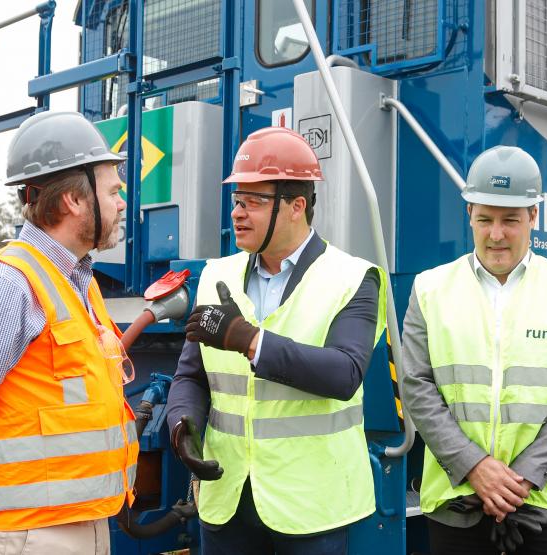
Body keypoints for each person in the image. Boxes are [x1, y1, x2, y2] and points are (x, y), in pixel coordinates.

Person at [0, 111, 149, 555]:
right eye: (113, 190)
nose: (121, 203)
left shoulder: (77, 282)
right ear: (73, 201)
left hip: (78, 521)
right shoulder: (8, 285)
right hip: (26, 536)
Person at [166, 127, 387, 555]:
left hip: (310, 508)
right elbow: (192, 375)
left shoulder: (353, 278)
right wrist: (182, 423)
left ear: (296, 206)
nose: (238, 214)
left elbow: (344, 374)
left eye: (253, 202)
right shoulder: (216, 275)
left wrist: (250, 341)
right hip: (226, 498)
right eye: (237, 201)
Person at [401, 146, 547, 554]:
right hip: (458, 500)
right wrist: (474, 467)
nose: (496, 234)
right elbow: (415, 386)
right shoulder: (429, 288)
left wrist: (523, 477)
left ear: (533, 215)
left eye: (510, 220)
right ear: (469, 215)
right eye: (485, 220)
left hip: (545, 504)